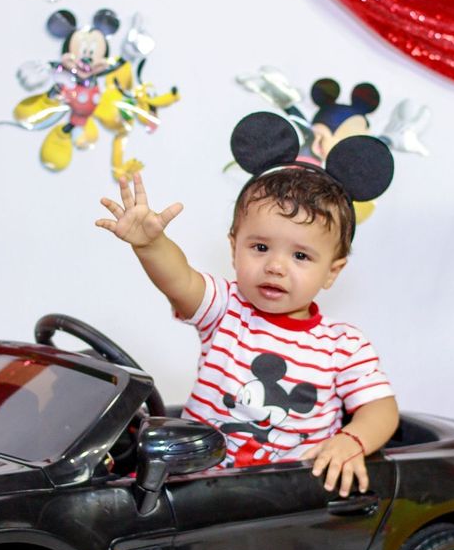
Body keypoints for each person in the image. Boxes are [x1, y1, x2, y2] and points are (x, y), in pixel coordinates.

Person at [95, 167, 398, 495]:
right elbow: (180, 280)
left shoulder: (344, 345)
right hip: (195, 489)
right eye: (260, 247)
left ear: (331, 272)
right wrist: (152, 245)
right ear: (234, 248)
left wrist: (352, 440)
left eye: (300, 255)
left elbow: (380, 408)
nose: (275, 266)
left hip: (285, 498)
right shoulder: (225, 308)